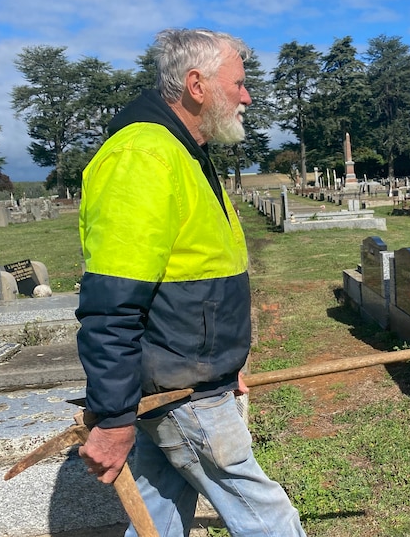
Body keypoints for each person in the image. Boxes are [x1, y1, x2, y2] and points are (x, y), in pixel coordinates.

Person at [75, 28, 306, 537]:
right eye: (239, 84)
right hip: (180, 390)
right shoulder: (143, 157)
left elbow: (197, 275)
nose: (247, 96)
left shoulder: (183, 150)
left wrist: (226, 369)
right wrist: (112, 419)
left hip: (192, 378)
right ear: (197, 85)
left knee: (156, 509)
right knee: (265, 513)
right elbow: (112, 304)